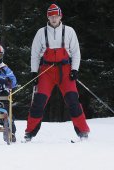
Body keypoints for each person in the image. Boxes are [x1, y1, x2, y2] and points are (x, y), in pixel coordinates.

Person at [24, 4, 90, 142]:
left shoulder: (69, 31)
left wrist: (75, 70)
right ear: (48, 17)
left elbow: (76, 52)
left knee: (73, 100)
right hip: (46, 71)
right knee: (38, 102)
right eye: (51, 16)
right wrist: (34, 72)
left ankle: (83, 131)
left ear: (60, 16)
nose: (54, 19)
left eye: (56, 16)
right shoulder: (41, 32)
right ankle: (29, 132)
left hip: (65, 71)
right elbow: (35, 54)